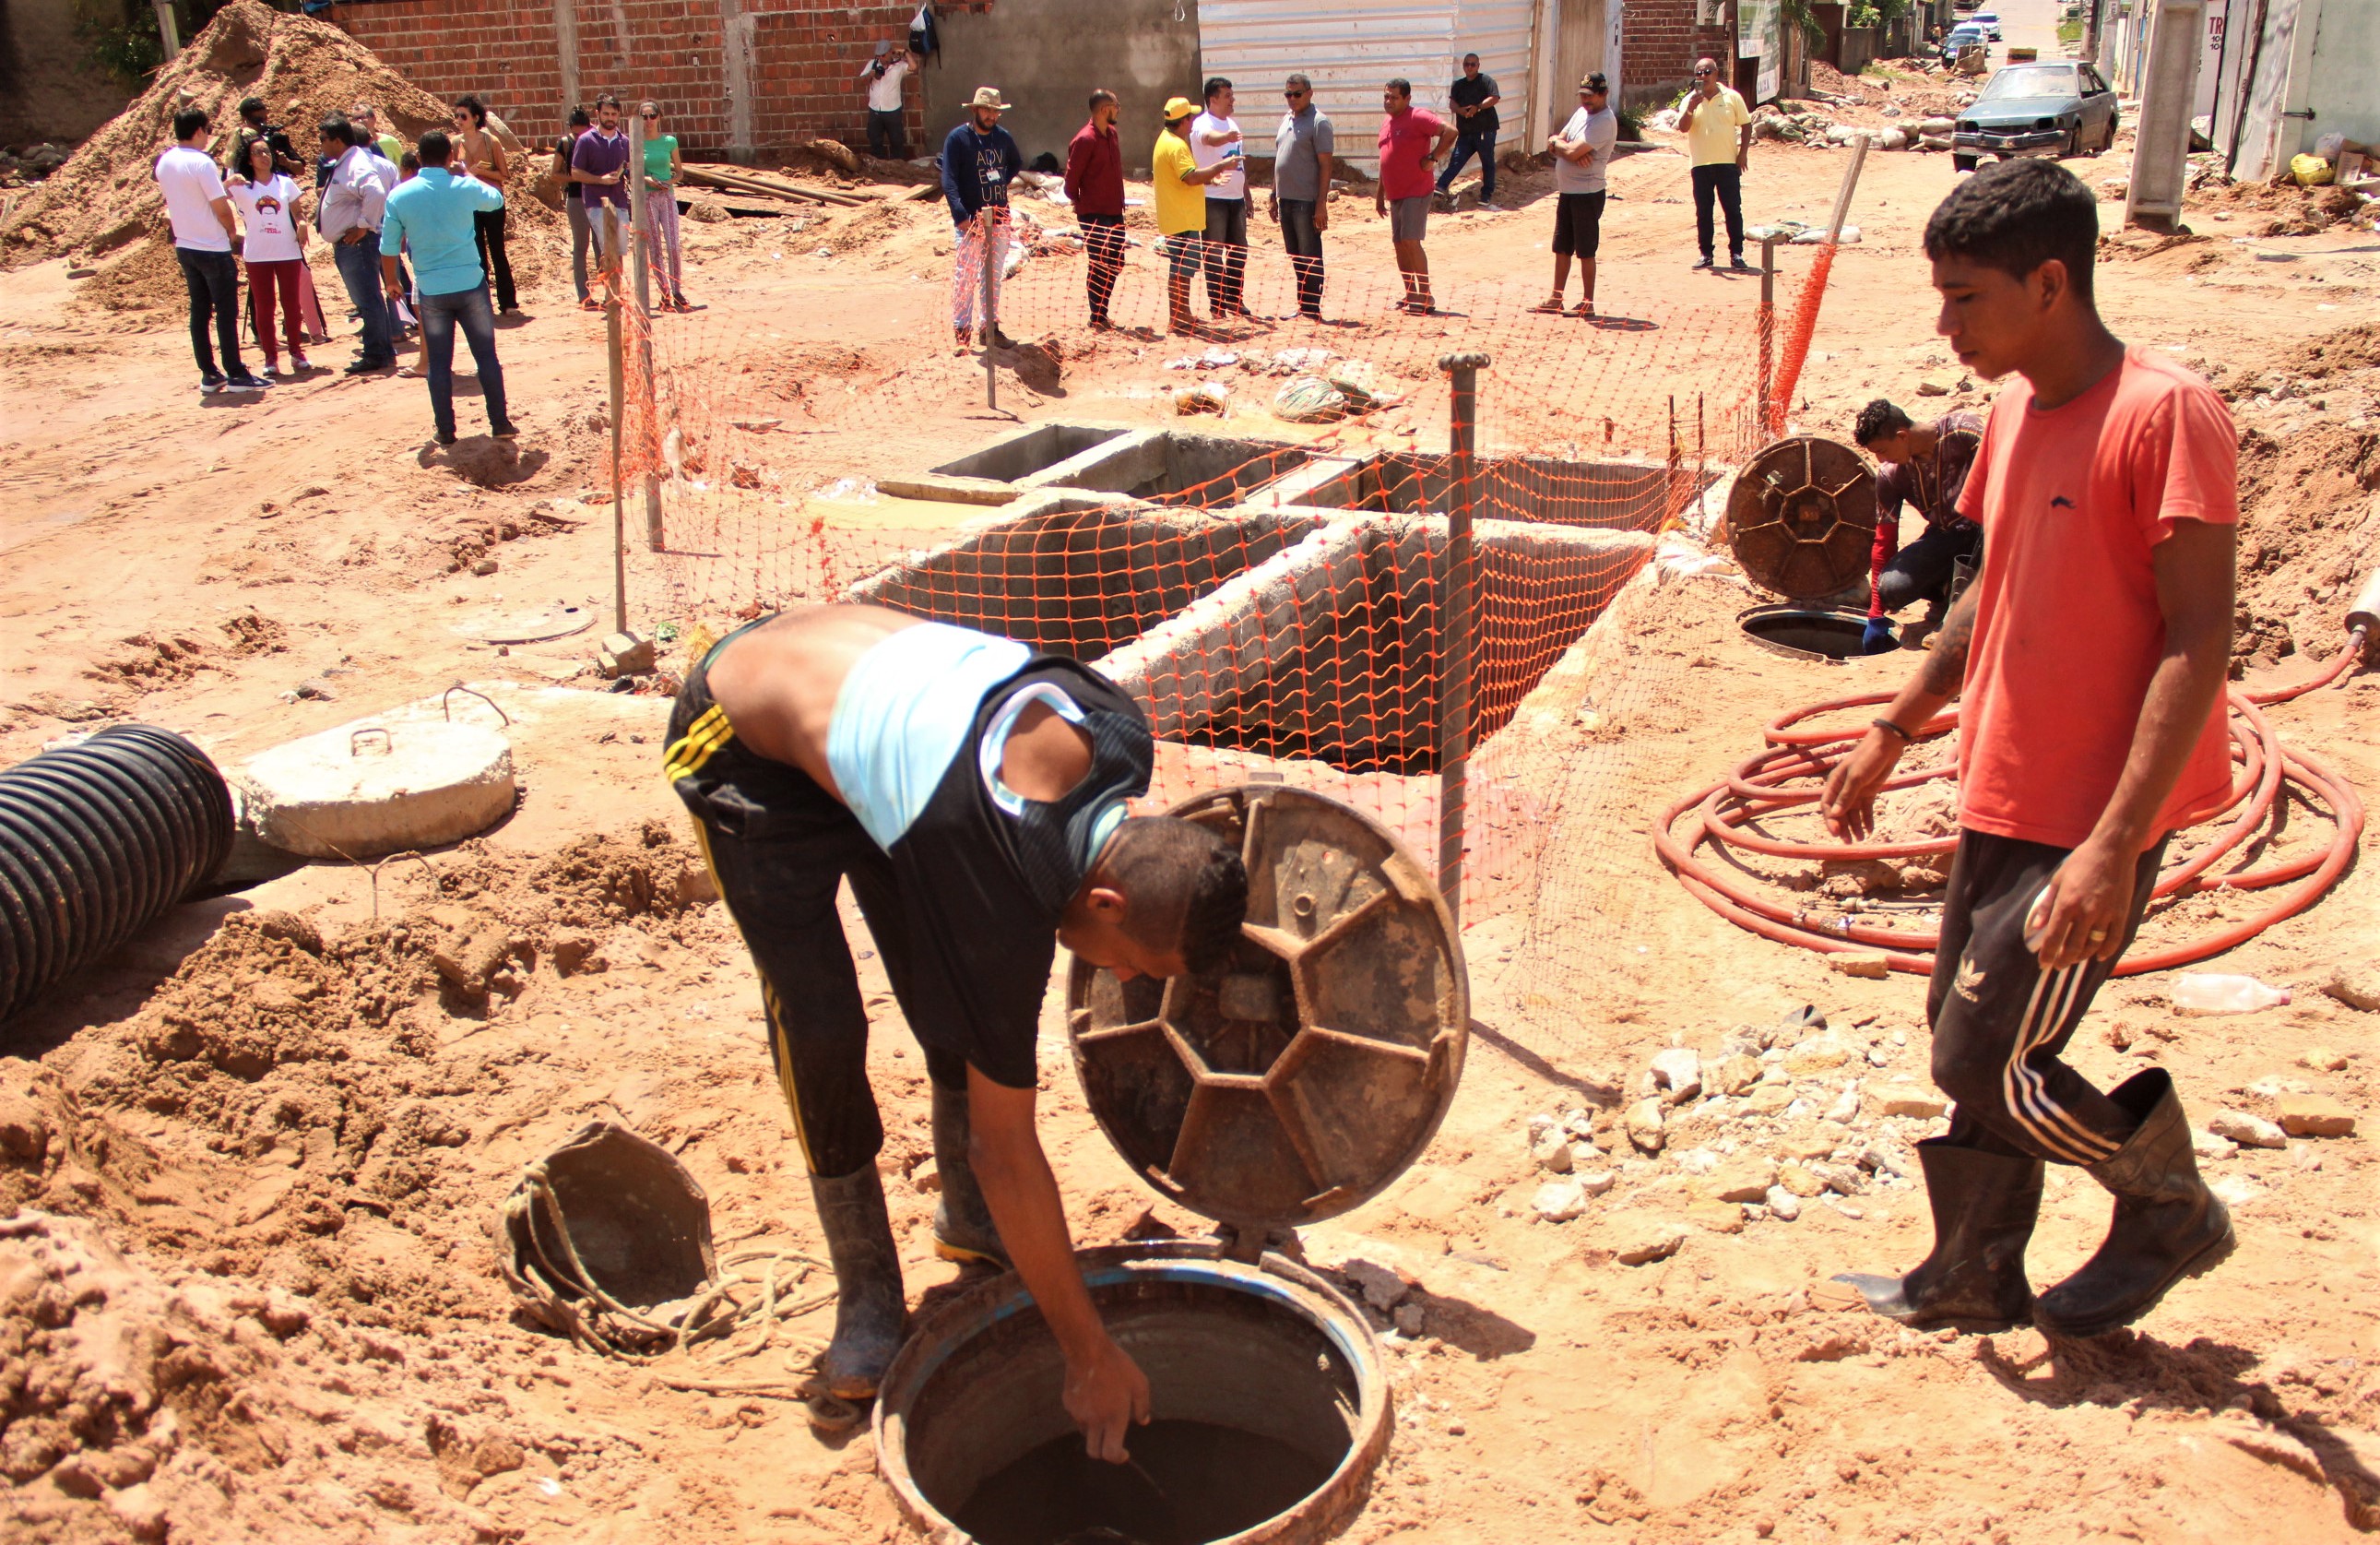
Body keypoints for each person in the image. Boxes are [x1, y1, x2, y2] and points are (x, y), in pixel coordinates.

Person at [663, 602, 1249, 1446]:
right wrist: (1088, 1354)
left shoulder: (1119, 734)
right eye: (1135, 962)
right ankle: (865, 1286)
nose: (1118, 976)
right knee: (821, 1022)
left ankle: (969, 1224)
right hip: (743, 736)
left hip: (892, 740)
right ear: (1109, 900)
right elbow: (1003, 1145)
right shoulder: (991, 880)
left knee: (951, 1003)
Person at [1822, 160, 2238, 1342]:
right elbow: (1984, 594)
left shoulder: (2166, 415)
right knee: (1971, 1035)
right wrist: (1894, 725)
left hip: (2088, 816)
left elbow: (2198, 641)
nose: (1943, 325)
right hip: (2001, 783)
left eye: (1965, 300)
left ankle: (2167, 1205)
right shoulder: (2010, 410)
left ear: (2049, 284)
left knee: (1984, 1057)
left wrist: (2113, 846)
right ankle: (1969, 1272)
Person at [381, 129, 517, 446]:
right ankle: (500, 423)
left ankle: (446, 431)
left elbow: (388, 247)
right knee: (486, 357)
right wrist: (466, 172)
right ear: (449, 156)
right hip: (470, 283)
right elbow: (495, 200)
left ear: (418, 158)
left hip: (431, 289)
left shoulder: (400, 195)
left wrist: (391, 281)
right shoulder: (463, 185)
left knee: (440, 364)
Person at [1853, 398, 1986, 650]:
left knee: (1989, 534)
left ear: (1902, 436)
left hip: (1992, 528)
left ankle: (1964, 614)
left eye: (1882, 450)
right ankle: (1947, 597)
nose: (1881, 460)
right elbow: (1885, 540)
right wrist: (1876, 614)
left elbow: (2009, 475)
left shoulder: (1963, 431)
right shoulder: (1891, 474)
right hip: (1947, 536)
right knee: (1892, 587)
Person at [156, 110, 265, 393]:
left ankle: (209, 372)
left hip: (186, 245)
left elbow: (192, 196)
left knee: (200, 311)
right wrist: (231, 232)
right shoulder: (201, 162)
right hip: (212, 247)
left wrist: (224, 185)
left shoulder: (165, 162)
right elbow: (219, 207)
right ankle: (236, 373)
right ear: (199, 132)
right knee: (226, 312)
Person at [941, 86, 1023, 352]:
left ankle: (990, 329)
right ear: (975, 109)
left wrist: (999, 184)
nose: (991, 115)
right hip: (970, 222)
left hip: (998, 219)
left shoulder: (1003, 138)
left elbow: (1015, 163)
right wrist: (960, 215)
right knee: (965, 277)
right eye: (987, 110)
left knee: (992, 276)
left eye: (996, 111)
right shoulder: (958, 139)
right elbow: (949, 180)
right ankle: (962, 332)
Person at [317, 114, 397, 375]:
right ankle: (381, 350)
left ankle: (376, 353)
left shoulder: (354, 163)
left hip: (357, 244)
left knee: (368, 299)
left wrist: (363, 225)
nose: (320, 144)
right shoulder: (347, 161)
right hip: (352, 243)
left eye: (323, 139)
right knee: (370, 298)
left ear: (337, 140)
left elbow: (375, 192)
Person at [1533, 73, 1617, 318]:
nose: (1585, 101)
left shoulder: (1604, 121)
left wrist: (1564, 149)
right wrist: (1560, 145)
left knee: (1586, 250)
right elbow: (1559, 140)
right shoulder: (1582, 113)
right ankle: (1556, 298)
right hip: (1568, 191)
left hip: (1587, 193)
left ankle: (1587, 302)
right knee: (1562, 247)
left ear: (1604, 94)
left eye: (1590, 96)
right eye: (1582, 95)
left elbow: (1568, 150)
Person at [226, 134, 311, 375]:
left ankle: (296, 351)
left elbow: (298, 212)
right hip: (257, 253)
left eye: (267, 152)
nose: (264, 157)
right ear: (249, 160)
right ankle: (270, 357)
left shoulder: (285, 183)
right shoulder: (242, 187)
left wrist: (302, 224)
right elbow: (215, 195)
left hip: (287, 250)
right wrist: (228, 180)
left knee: (291, 304)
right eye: (258, 153)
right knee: (264, 307)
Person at [1153, 97, 1231, 336]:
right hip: (1182, 218)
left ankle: (1181, 313)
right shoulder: (1176, 146)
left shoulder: (1166, 141)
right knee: (1180, 269)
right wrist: (1220, 166)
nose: (1192, 123)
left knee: (1182, 268)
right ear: (1184, 121)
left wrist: (1210, 177)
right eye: (1190, 118)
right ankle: (1178, 316)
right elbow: (1190, 177)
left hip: (1177, 216)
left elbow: (1188, 176)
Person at [1375, 78, 1454, 315]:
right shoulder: (1387, 122)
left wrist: (1433, 158)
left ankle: (1426, 295)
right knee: (1399, 243)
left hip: (1416, 190)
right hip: (1395, 193)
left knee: (1410, 240)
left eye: (1394, 97)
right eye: (1386, 97)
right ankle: (1411, 293)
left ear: (1407, 99)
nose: (1389, 101)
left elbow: (1451, 132)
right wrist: (1379, 195)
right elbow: (1384, 160)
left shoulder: (1418, 116)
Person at [1678, 57, 1753, 272]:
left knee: (1732, 209)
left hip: (1727, 163)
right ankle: (1706, 254)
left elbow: (1746, 125)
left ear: (1716, 74)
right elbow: (1683, 128)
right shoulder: (1690, 100)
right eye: (1699, 73)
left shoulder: (1732, 97)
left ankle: (1736, 253)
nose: (1703, 77)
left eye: (1707, 72)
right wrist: (1691, 108)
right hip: (1700, 164)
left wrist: (1743, 154)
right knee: (1703, 211)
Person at [1270, 73, 1333, 321]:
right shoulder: (1286, 119)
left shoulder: (1319, 123)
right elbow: (1280, 158)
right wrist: (1274, 195)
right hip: (1286, 200)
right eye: (1288, 94)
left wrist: (1321, 204)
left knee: (1310, 253)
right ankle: (1302, 304)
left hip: (1306, 202)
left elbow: (1326, 166)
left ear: (1310, 93)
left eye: (1297, 94)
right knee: (1296, 253)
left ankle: (1312, 308)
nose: (1292, 99)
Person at [1190, 78, 1253, 322]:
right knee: (1214, 254)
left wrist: (1246, 194)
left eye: (1232, 95)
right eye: (1227, 95)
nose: (1232, 100)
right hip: (1212, 199)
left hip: (1235, 199)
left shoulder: (1232, 124)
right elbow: (1210, 139)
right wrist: (1226, 136)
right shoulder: (1202, 124)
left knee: (1239, 251)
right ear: (1212, 99)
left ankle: (1235, 299)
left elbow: (1238, 163)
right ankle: (1217, 305)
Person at [1063, 89, 1126, 331]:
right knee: (1099, 263)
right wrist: (1084, 204)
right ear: (1104, 109)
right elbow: (1070, 183)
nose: (1118, 109)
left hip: (1114, 211)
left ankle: (1102, 310)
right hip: (1094, 214)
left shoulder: (1111, 134)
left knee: (1116, 262)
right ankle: (1097, 315)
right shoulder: (1085, 139)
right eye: (1115, 105)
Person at [453, 95, 517, 315]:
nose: (459, 120)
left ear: (475, 117)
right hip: (467, 203)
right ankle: (481, 304)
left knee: (498, 250)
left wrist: (481, 172)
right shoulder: (455, 143)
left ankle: (508, 302)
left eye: (463, 116)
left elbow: (504, 174)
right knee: (476, 254)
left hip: (491, 201)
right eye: (457, 115)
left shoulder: (492, 141)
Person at [572, 95, 633, 308]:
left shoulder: (624, 141)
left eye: (614, 114)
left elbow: (629, 168)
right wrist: (600, 180)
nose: (610, 118)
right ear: (598, 114)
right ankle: (611, 295)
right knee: (607, 248)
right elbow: (575, 172)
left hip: (620, 201)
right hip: (596, 202)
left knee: (620, 250)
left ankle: (616, 292)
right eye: (606, 113)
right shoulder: (586, 140)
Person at [638, 101, 690, 312]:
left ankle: (677, 289)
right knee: (655, 248)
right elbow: (634, 172)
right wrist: (648, 180)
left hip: (666, 196)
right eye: (644, 116)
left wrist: (667, 182)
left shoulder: (669, 141)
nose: (649, 120)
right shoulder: (636, 143)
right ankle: (664, 292)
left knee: (673, 244)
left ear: (659, 117)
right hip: (648, 197)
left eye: (652, 116)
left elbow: (679, 173)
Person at [1437, 53, 1501, 208]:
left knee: (1487, 162)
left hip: (1485, 130)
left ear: (1478, 66)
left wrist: (1477, 108)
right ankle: (1440, 187)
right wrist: (1461, 111)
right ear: (1463, 66)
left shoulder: (1486, 81)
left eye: (1473, 64)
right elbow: (1452, 103)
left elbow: (1495, 98)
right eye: (1467, 64)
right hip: (1466, 131)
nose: (1470, 67)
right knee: (1457, 159)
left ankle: (1486, 194)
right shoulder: (1459, 85)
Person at [552, 108, 594, 307]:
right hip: (576, 198)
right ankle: (584, 296)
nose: (580, 137)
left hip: (597, 197)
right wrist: (576, 177)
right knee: (580, 247)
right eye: (576, 133)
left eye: (583, 132)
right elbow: (555, 173)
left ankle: (609, 293)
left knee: (602, 246)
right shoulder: (565, 144)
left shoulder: (597, 140)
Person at [858, 41, 915, 160]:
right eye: (879, 56)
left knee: (897, 143)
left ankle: (899, 171)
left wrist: (904, 52)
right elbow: (860, 82)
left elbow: (914, 67)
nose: (881, 58)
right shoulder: (872, 64)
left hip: (893, 111)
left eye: (883, 55)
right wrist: (870, 75)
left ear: (890, 53)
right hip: (875, 110)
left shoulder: (898, 66)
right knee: (875, 143)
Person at [238, 96, 305, 178]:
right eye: (257, 120)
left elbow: (301, 170)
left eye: (265, 119)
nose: (262, 124)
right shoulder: (238, 143)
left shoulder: (275, 139)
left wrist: (287, 163)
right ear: (244, 119)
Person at [352, 102, 403, 167]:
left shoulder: (390, 142)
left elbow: (401, 167)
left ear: (374, 119)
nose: (359, 121)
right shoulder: (351, 146)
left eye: (362, 117)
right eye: (356, 118)